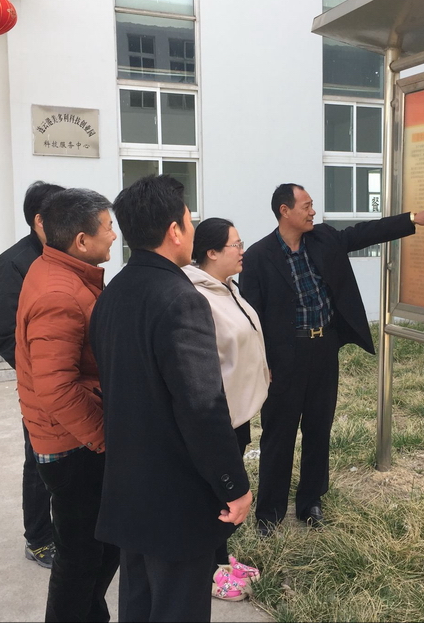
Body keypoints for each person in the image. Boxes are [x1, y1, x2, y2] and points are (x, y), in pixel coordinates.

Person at [239, 183, 424, 536]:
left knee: (318, 428)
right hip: (284, 358)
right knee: (278, 434)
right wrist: (262, 363)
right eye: (306, 206)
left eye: (312, 205)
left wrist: (412, 219)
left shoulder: (324, 239)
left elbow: (365, 233)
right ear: (284, 211)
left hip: (323, 349)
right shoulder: (259, 256)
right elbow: (251, 317)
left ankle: (310, 502)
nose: (313, 211)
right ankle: (270, 513)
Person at [91, 176, 252, 622]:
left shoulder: (113, 293)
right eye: (189, 219)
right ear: (174, 231)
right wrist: (234, 485)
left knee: (139, 605)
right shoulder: (182, 299)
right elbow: (202, 407)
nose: (193, 228)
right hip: (175, 497)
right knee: (178, 606)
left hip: (129, 488)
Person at [15, 188, 120, 622]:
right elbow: (56, 388)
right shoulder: (59, 294)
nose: (114, 235)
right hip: (72, 446)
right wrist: (104, 438)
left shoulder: (62, 273)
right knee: (81, 557)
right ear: (81, 240)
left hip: (73, 438)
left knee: (98, 550)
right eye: (108, 227)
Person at [182, 218, 269, 601]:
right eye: (236, 244)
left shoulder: (228, 287)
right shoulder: (197, 295)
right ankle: (210, 571)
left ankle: (220, 557)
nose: (242, 250)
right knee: (215, 495)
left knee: (224, 494)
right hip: (218, 415)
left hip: (238, 411)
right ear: (212, 252)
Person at [0, 180, 64, 569]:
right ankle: (38, 539)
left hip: (71, 382)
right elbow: (5, 335)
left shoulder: (64, 254)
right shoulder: (14, 263)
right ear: (40, 220)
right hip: (40, 386)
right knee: (38, 462)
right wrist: (41, 377)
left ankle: (66, 530)